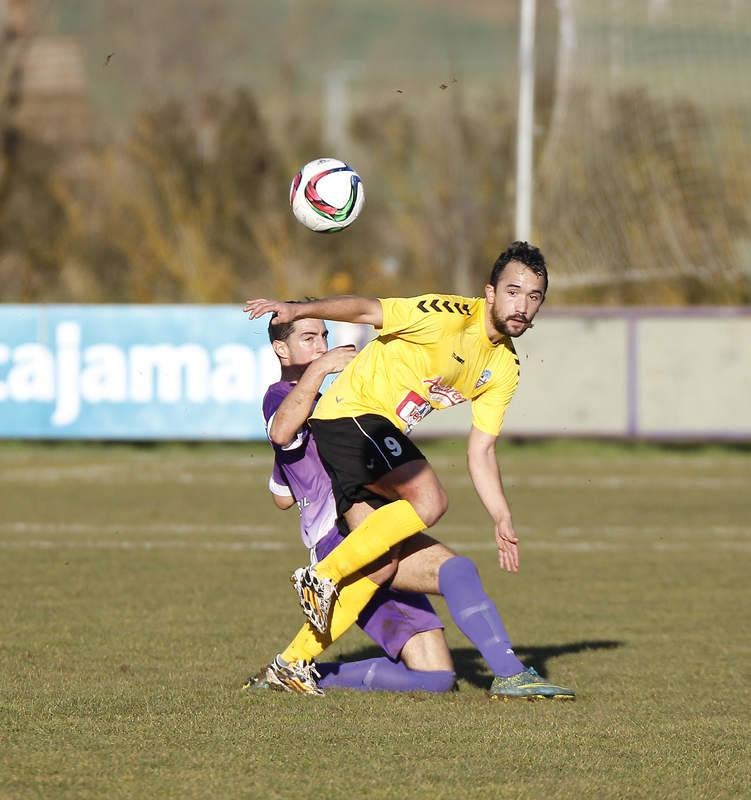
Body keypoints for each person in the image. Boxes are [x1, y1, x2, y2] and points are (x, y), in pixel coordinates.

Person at [245, 242, 575, 700]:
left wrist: (501, 515)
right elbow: (365, 308)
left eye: (534, 296)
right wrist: (298, 308)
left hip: (372, 444)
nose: (522, 305)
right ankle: (322, 577)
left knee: (444, 573)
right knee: (431, 500)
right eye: (513, 291)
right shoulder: (447, 314)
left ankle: (293, 665)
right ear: (490, 292)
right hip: (351, 416)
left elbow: (480, 450)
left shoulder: (504, 368)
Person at [245, 309, 456, 695]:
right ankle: (510, 669)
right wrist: (320, 368)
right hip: (339, 539)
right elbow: (281, 430)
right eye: (308, 338)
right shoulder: (279, 397)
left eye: (324, 336)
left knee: (437, 677)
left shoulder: (328, 407)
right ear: (281, 348)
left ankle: (305, 670)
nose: (321, 345)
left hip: (375, 531)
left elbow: (280, 497)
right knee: (455, 574)